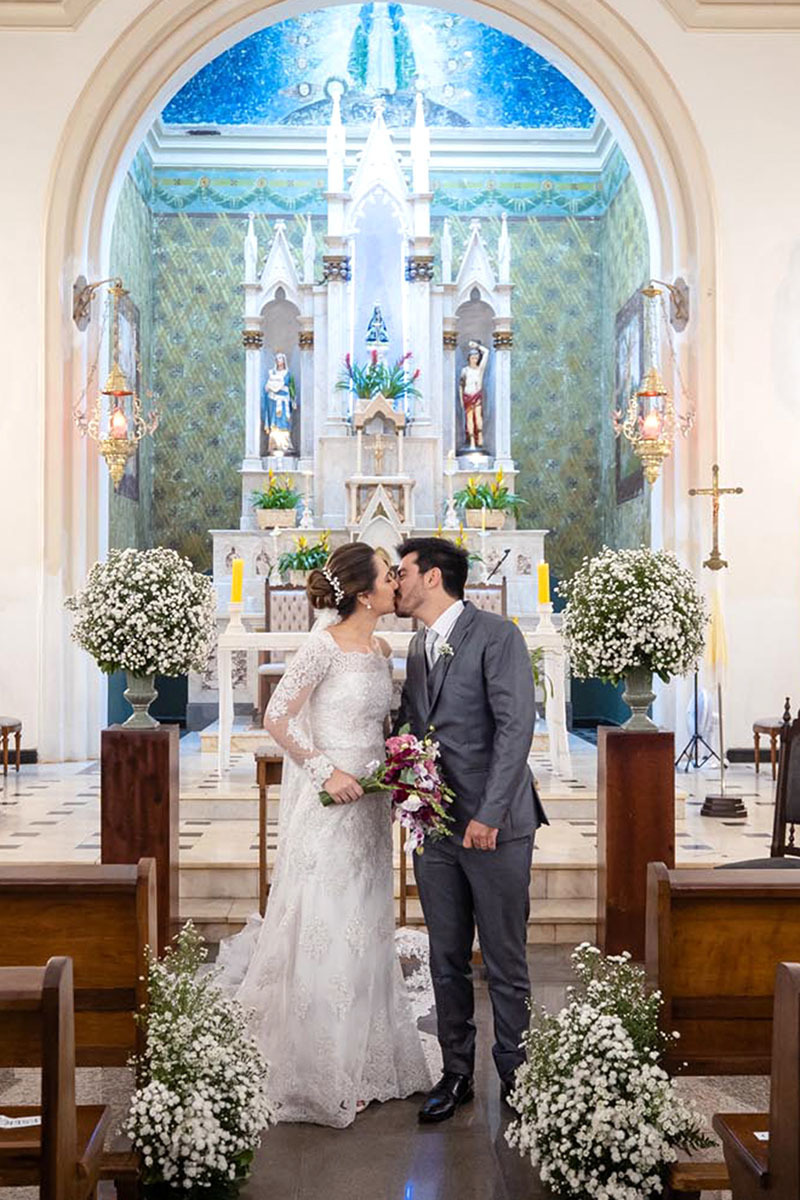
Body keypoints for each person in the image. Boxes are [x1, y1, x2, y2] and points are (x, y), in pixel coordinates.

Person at [229, 541, 432, 1126]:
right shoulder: (322, 645)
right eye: (390, 576)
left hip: (369, 805)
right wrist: (326, 770)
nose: (399, 582)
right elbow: (277, 715)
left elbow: (385, 721)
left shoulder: (382, 645)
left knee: (366, 917)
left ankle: (366, 1054)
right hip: (331, 801)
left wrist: (400, 766)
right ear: (365, 593)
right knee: (326, 915)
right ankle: (320, 1063)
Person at [394, 536, 548, 1123]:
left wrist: (488, 812)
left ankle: (518, 1075)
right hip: (434, 827)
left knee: (505, 959)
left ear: (432, 577)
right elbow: (415, 726)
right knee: (445, 956)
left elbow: (515, 729)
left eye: (403, 572)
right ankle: (456, 1073)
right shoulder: (417, 646)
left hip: (496, 826)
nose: (397, 582)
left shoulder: (497, 635)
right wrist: (405, 788)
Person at [263, 351, 295, 456]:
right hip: (273, 401)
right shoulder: (272, 373)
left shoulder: (287, 374)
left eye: (280, 359)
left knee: (284, 423)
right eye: (277, 359)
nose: (278, 361)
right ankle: (274, 445)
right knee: (275, 423)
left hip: (284, 401)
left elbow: (290, 388)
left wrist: (293, 399)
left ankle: (285, 445)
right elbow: (267, 387)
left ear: (284, 361)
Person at [458, 340, 489, 449]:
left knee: (478, 417)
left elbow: (487, 352)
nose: (474, 360)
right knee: (469, 418)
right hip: (467, 396)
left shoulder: (480, 370)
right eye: (472, 358)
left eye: (476, 358)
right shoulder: (465, 370)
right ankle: (471, 441)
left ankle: (480, 436)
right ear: (469, 359)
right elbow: (461, 385)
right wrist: (461, 399)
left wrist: (477, 346)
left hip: (476, 395)